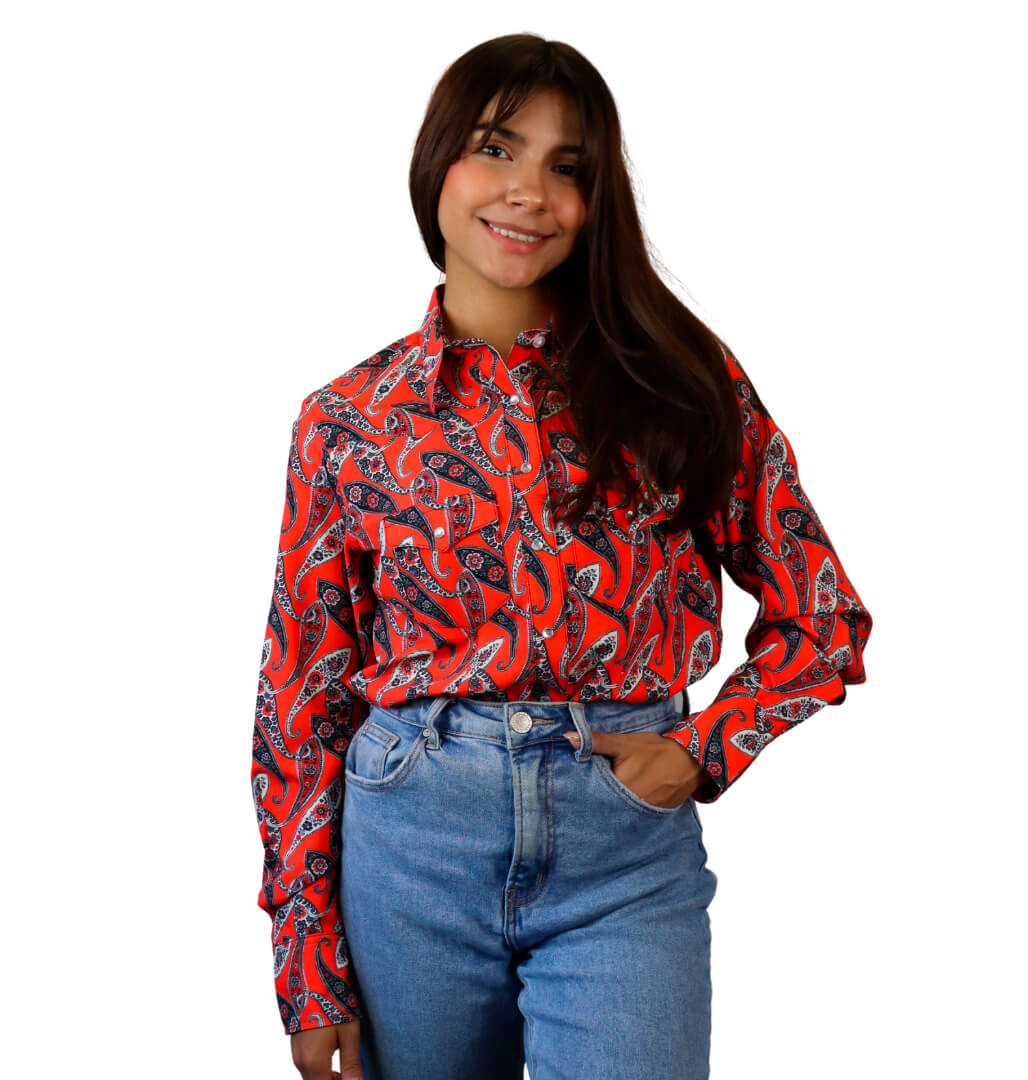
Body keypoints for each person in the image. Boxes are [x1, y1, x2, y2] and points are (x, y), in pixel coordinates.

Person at [250, 33, 873, 1080]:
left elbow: (824, 615)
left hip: (622, 855)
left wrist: (705, 749)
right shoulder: (347, 422)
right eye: (497, 148)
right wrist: (307, 969)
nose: (528, 192)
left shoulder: (680, 385)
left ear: (596, 202)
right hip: (409, 852)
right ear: (438, 164)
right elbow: (299, 700)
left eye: (568, 167)